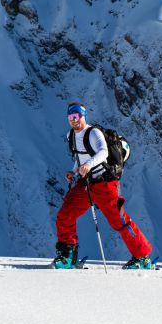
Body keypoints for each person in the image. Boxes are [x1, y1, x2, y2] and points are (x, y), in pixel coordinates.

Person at [52, 102, 154, 269]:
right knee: (65, 214)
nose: (74, 120)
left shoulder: (93, 133)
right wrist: (74, 172)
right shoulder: (71, 136)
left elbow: (103, 152)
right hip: (85, 182)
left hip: (104, 183)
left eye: (77, 116)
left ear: (83, 116)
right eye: (71, 117)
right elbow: (80, 159)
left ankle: (142, 257)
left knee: (119, 221)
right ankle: (67, 256)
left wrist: (89, 165)